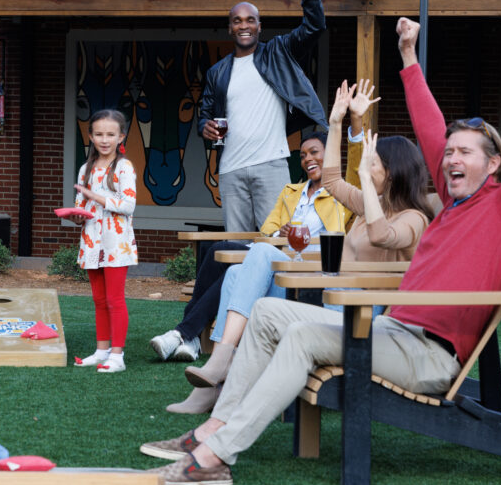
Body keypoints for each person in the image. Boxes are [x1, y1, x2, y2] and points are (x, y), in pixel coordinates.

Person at [139, 8, 501, 485]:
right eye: (449, 152)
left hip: (427, 353)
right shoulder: (451, 203)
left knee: (299, 337)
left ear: (496, 164)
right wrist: (406, 55)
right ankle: (212, 430)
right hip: (393, 330)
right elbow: (429, 127)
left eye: (465, 152)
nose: (450, 158)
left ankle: (214, 457)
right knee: (269, 313)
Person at [168, 79, 436, 416]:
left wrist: (364, 180)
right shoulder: (370, 207)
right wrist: (336, 122)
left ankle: (223, 366)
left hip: (355, 316)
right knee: (237, 273)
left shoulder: (413, 218)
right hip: (323, 297)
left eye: (373, 163)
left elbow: (384, 236)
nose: (366, 168)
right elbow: (333, 181)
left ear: (393, 173)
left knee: (264, 253)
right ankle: (220, 369)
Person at [151, 131, 350, 413]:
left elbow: (336, 236)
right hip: (279, 262)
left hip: (310, 275)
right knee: (235, 268)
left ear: (330, 155)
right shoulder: (292, 192)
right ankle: (213, 379)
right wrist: (280, 232)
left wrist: (342, 123)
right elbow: (267, 229)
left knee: (250, 253)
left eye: (315, 152)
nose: (308, 159)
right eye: (303, 155)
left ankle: (201, 345)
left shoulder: (341, 194)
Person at [199, 0, 327, 232]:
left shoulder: (277, 52)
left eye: (250, 20)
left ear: (260, 25)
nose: (244, 25)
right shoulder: (217, 72)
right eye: (237, 21)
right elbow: (204, 115)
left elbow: (315, 25)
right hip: (230, 169)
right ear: (230, 28)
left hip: (271, 165)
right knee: (238, 246)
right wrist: (203, 126)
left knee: (277, 242)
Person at [68, 110, 138, 373]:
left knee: (114, 299)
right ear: (90, 136)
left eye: (110, 134)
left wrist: (93, 196)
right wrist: (76, 215)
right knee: (98, 299)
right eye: (98, 134)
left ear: (121, 136)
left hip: (116, 242)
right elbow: (81, 206)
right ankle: (101, 351)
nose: (104, 139)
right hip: (91, 241)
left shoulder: (123, 166)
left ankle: (117, 356)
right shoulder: (85, 168)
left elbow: (128, 205)